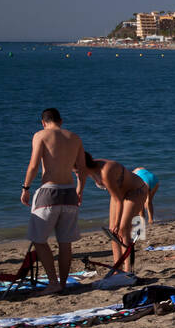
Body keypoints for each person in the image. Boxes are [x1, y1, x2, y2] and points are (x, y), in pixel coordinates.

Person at [21, 108, 86, 294]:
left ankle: (53, 282)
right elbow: (82, 169)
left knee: (38, 239)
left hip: (49, 192)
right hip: (70, 193)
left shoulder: (41, 135)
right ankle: (63, 283)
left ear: (43, 122)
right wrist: (80, 190)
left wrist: (25, 188)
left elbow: (33, 165)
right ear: (61, 120)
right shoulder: (75, 138)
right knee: (65, 242)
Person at [82, 153, 149, 273]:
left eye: (76, 169)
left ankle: (128, 270)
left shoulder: (105, 171)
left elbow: (118, 201)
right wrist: (78, 193)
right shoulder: (83, 171)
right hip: (118, 194)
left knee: (122, 229)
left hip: (136, 191)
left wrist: (117, 223)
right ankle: (117, 269)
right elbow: (80, 183)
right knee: (112, 232)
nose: (76, 173)